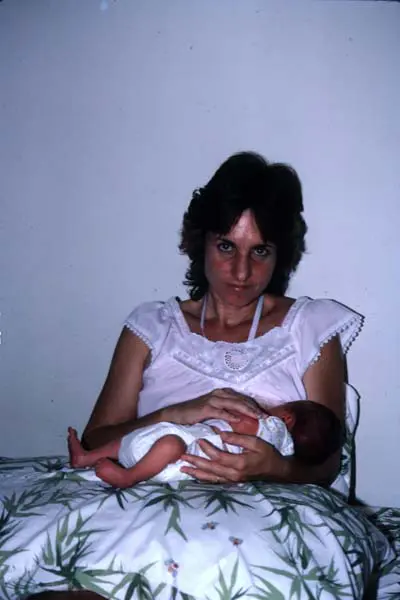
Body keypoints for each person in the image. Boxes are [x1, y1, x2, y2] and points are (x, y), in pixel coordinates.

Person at [29, 151, 363, 599]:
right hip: (141, 500)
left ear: (279, 254)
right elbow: (96, 439)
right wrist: (176, 413)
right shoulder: (151, 327)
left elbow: (327, 461)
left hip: (261, 520)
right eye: (226, 246)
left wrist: (277, 467)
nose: (242, 272)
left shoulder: (310, 327)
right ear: (199, 241)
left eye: (260, 251)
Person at [67, 400, 343, 488]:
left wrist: (243, 409)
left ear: (287, 417)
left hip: (184, 455)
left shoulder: (272, 427)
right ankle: (85, 458)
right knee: (144, 437)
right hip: (185, 439)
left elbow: (243, 422)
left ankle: (129, 477)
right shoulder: (282, 448)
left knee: (168, 443)